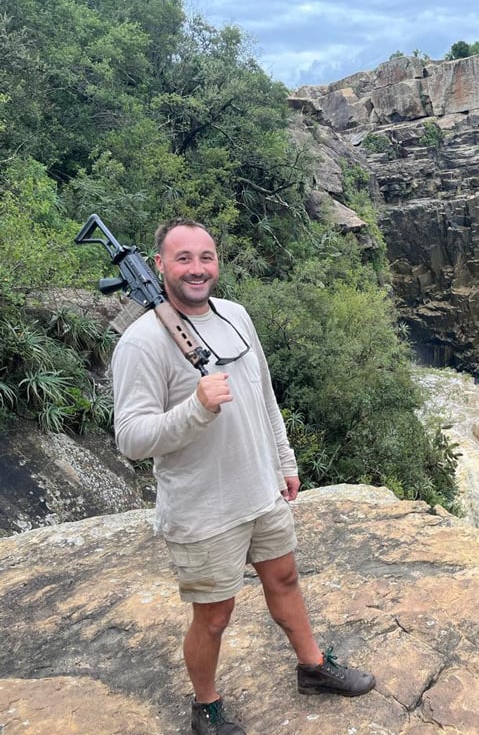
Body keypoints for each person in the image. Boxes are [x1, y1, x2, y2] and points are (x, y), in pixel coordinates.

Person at [111, 218, 375, 735]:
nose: (197, 268)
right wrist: (196, 408)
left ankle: (313, 667)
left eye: (205, 257)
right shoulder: (142, 342)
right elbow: (131, 439)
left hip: (261, 490)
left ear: (217, 263)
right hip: (204, 510)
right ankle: (205, 707)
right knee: (214, 616)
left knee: (285, 579)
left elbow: (263, 394)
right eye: (183, 258)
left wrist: (284, 460)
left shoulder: (235, 315)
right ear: (159, 264)